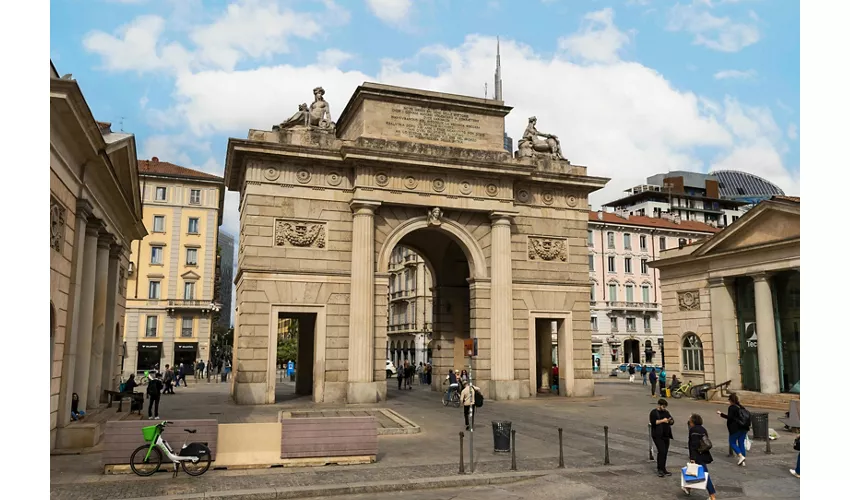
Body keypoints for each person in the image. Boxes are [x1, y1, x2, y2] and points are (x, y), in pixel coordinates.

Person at [685, 413, 716, 499]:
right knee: (693, 471)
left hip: (698, 456)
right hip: (703, 453)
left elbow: (693, 445)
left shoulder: (693, 430)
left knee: (704, 475)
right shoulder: (703, 429)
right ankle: (687, 487)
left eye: (690, 420)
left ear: (692, 422)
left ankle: (712, 494)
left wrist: (692, 458)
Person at [718, 393, 749, 466]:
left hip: (735, 428)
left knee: (732, 442)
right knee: (741, 442)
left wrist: (721, 414)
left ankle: (741, 456)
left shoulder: (732, 407)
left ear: (731, 400)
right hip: (744, 427)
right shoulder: (741, 407)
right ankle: (743, 459)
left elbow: (730, 417)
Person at [649, 398, 675, 477]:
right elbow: (654, 422)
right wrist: (662, 420)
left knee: (665, 452)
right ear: (659, 405)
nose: (664, 408)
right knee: (661, 451)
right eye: (663, 406)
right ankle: (659, 469)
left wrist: (670, 421)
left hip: (666, 434)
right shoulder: (654, 413)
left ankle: (663, 468)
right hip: (657, 435)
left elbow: (671, 420)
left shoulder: (666, 412)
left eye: (665, 407)